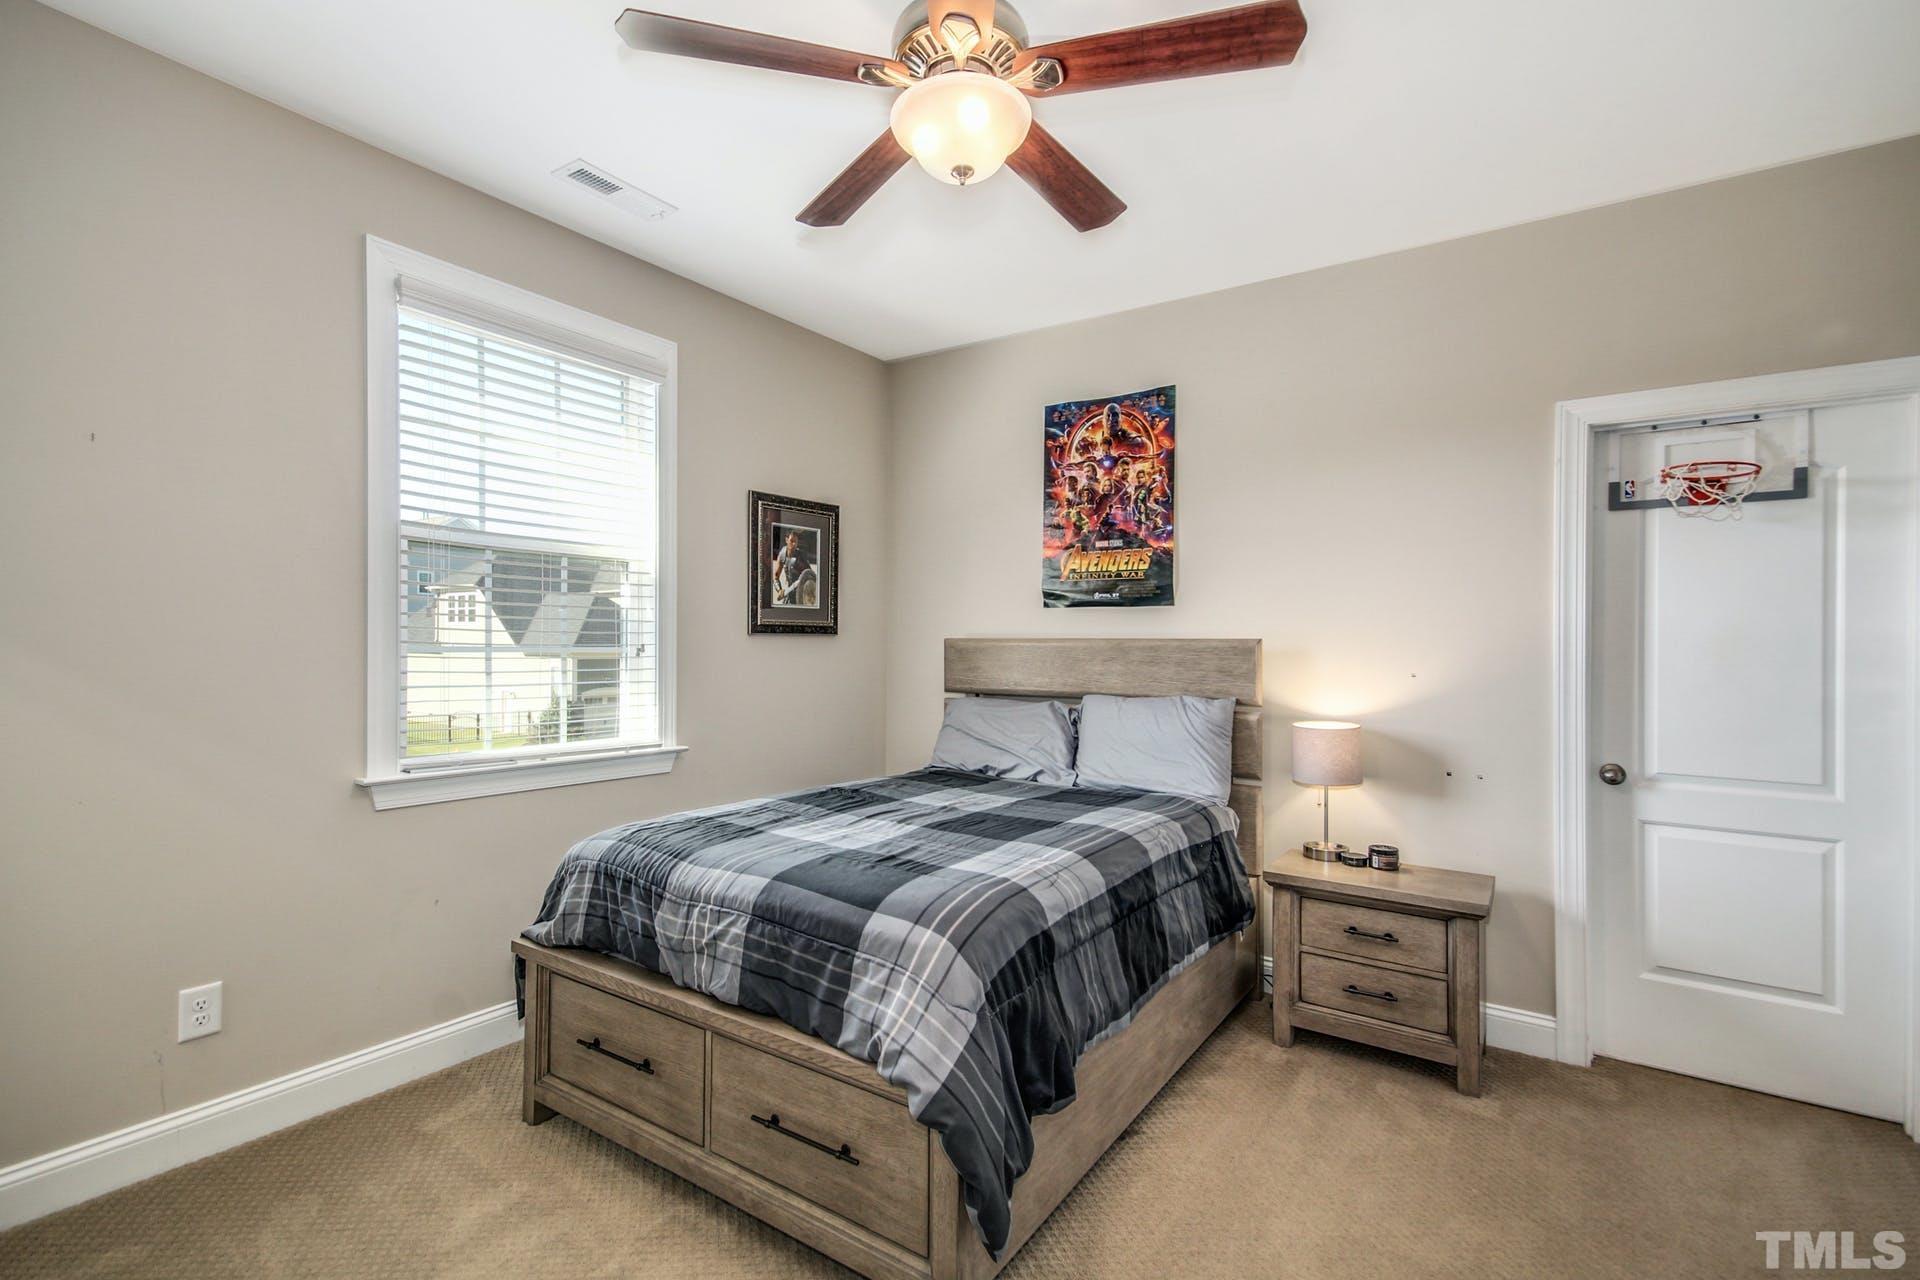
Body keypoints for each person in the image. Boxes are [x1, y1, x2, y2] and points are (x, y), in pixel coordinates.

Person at [772, 529, 817, 607]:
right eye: (792, 541)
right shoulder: (782, 554)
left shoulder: (800, 556)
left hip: (800, 592)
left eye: (796, 542)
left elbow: (810, 576)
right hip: (789, 593)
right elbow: (776, 577)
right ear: (786, 540)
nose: (794, 544)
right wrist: (779, 590)